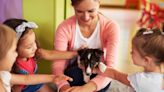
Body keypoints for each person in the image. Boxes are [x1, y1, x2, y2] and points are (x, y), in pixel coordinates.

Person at [53, 0, 120, 92]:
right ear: (73, 7)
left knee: (104, 77)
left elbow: (111, 68)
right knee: (73, 75)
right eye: (79, 11)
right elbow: (58, 65)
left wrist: (87, 88)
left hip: (99, 72)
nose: (86, 17)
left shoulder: (111, 27)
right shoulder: (64, 28)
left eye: (91, 11)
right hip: (75, 73)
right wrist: (63, 87)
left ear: (99, 3)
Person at [3, 18, 77, 92]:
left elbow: (51, 54)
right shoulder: (12, 68)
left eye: (34, 42)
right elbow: (23, 83)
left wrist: (75, 54)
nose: (35, 47)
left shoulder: (35, 52)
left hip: (36, 83)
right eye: (29, 47)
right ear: (15, 48)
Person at [100, 28, 164, 92]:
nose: (130, 53)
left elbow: (115, 75)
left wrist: (97, 69)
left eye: (133, 51)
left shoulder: (141, 80)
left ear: (146, 60)